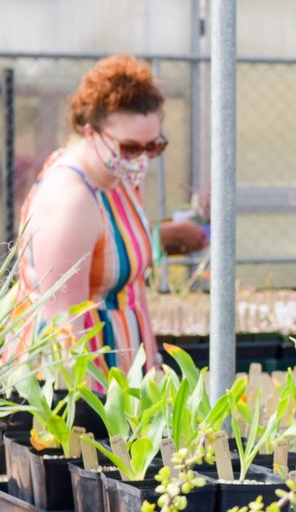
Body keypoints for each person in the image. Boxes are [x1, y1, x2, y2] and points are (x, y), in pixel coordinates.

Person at [11, 55, 187, 371]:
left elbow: (134, 293)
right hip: (75, 389)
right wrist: (85, 405)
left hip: (121, 381)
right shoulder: (71, 199)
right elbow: (63, 324)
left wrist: (152, 364)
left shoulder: (120, 178)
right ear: (91, 132)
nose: (142, 159)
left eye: (153, 147)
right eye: (130, 148)